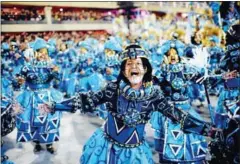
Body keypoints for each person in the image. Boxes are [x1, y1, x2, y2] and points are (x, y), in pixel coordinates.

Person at [40, 44, 216, 164]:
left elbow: (178, 117)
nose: (134, 67)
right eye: (129, 64)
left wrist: (207, 130)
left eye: (138, 63)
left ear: (145, 69)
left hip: (135, 153)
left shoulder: (154, 96)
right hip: (105, 148)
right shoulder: (112, 90)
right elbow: (86, 100)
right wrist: (55, 106)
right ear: (124, 70)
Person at [150, 40, 209, 163]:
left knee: (190, 137)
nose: (172, 56)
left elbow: (200, 76)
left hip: (186, 108)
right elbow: (150, 81)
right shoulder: (161, 71)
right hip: (168, 111)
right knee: (169, 140)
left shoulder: (186, 68)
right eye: (169, 54)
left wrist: (204, 73)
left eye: (175, 53)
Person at [13, 38, 65, 154]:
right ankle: (36, 142)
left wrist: (56, 72)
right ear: (35, 52)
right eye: (40, 52)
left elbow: (58, 81)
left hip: (48, 96)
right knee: (33, 121)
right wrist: (19, 81)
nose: (43, 55)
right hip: (32, 97)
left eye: (45, 52)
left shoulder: (51, 66)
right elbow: (17, 82)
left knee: (48, 121)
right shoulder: (27, 66)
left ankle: (49, 143)